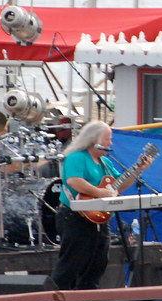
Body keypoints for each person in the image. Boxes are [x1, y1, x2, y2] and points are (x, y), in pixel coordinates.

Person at [52, 121, 152, 289]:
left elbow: (119, 184)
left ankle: (87, 297)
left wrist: (138, 169)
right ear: (94, 140)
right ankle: (54, 298)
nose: (110, 143)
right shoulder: (77, 157)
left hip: (98, 219)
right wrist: (99, 193)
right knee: (72, 262)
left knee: (98, 262)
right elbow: (73, 180)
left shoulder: (105, 162)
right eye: (107, 139)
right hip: (75, 216)